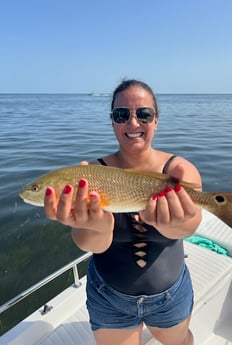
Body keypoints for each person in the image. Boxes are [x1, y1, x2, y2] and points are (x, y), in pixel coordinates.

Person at [44, 79, 202, 345]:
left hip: (170, 296)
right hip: (109, 297)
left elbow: (191, 225)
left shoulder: (179, 170)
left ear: (156, 120)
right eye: (121, 115)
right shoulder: (91, 176)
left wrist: (172, 223)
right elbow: (90, 244)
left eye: (143, 114)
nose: (133, 123)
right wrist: (98, 226)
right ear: (113, 121)